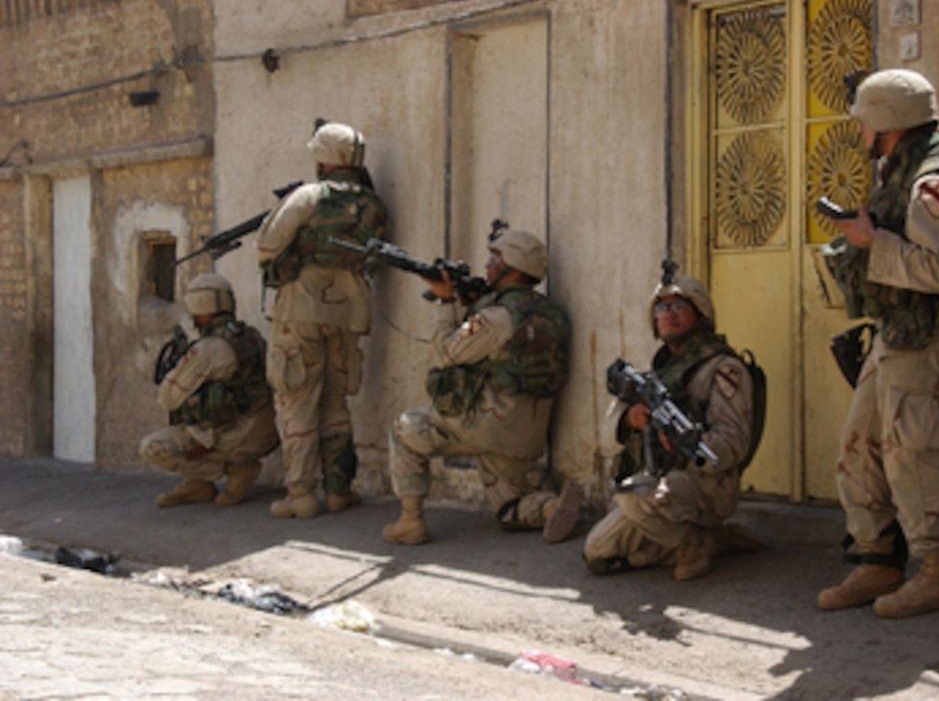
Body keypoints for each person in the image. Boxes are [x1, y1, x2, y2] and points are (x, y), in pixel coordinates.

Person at [819, 68, 939, 618]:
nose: (860, 132)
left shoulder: (937, 180)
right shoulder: (899, 170)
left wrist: (872, 241)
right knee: (859, 443)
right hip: (897, 330)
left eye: (865, 122)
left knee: (916, 454)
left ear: (888, 123)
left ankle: (938, 572)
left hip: (929, 334)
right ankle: (877, 560)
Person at [382, 229, 580, 545]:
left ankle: (410, 521)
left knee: (405, 428)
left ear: (514, 266)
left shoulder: (496, 317)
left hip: (485, 420)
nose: (487, 265)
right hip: (526, 431)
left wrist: (446, 302)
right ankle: (551, 507)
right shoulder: (547, 312)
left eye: (495, 258)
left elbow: (449, 351)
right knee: (509, 507)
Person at [582, 272, 758, 581]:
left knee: (633, 495)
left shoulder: (724, 369)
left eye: (679, 306)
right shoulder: (659, 373)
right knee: (597, 552)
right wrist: (630, 419)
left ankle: (695, 541)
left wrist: (684, 443)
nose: (669, 315)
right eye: (661, 308)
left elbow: (734, 442)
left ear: (700, 314)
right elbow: (605, 437)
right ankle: (710, 541)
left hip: (704, 485)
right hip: (657, 487)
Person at [255, 120, 389, 518]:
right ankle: (337, 491)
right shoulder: (372, 204)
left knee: (295, 399)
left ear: (322, 158)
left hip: (302, 308)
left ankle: (299, 494)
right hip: (348, 310)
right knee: (334, 401)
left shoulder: (308, 196)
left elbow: (267, 245)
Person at [140, 273, 279, 507]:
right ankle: (200, 484)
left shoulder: (208, 349)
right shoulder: (251, 337)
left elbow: (168, 399)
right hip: (268, 433)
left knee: (153, 448)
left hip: (235, 438)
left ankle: (232, 469)